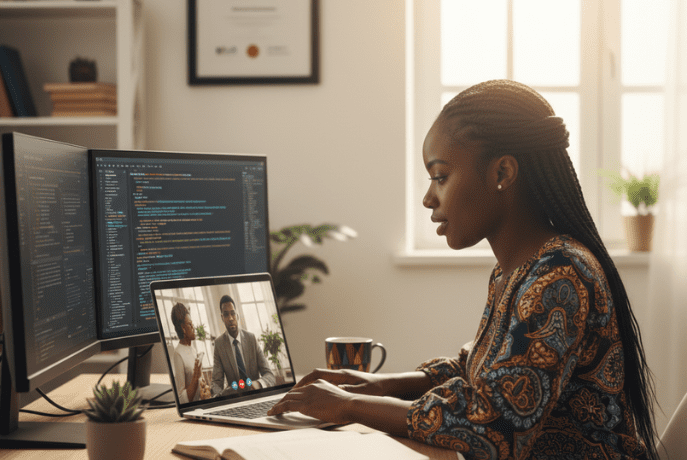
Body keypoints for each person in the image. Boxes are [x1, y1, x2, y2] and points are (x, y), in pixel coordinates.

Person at [268, 80, 659, 459]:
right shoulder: (520, 270)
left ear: (502, 174)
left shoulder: (559, 276)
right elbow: (484, 373)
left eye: (440, 176)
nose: (427, 198)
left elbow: (496, 428)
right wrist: (379, 383)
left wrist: (350, 406)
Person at [211, 295, 276, 396]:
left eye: (233, 313)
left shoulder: (251, 339)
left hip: (257, 396)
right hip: (235, 400)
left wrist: (258, 384)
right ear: (222, 318)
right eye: (226, 315)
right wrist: (219, 398)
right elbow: (216, 383)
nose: (231, 318)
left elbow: (270, 375)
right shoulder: (219, 344)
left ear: (237, 315)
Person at [170, 302, 211, 403]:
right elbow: (181, 399)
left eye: (192, 323)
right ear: (183, 328)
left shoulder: (192, 349)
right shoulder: (178, 354)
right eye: (190, 324)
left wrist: (204, 386)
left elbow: (198, 384)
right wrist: (196, 376)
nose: (193, 327)